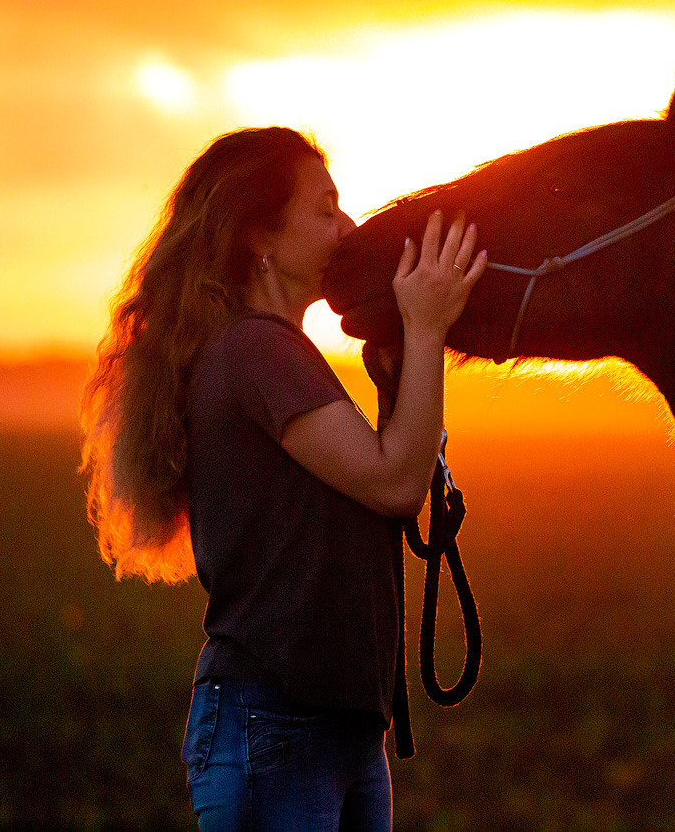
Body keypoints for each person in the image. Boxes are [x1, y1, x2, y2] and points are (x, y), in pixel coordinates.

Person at [80, 126, 485, 831]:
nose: (347, 228)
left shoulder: (268, 351)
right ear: (260, 235)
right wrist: (424, 330)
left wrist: (400, 379)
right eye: (325, 209)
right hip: (279, 726)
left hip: (328, 729)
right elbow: (395, 483)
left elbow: (386, 484)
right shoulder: (257, 350)